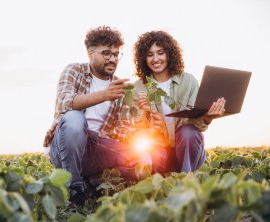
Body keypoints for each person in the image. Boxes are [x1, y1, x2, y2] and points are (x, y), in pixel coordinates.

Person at [43, 26, 141, 206]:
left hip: (98, 147)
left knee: (144, 156)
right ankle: (75, 187)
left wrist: (143, 116)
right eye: (106, 53)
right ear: (90, 53)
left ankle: (95, 182)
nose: (112, 59)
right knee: (74, 118)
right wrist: (105, 95)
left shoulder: (121, 88)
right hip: (66, 147)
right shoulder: (74, 71)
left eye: (116, 54)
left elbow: (124, 129)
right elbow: (65, 102)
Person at [132, 31, 226, 174]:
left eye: (160, 53)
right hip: (158, 153)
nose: (155, 59)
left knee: (188, 132)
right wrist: (143, 111)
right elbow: (138, 130)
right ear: (143, 59)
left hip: (187, 154)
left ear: (169, 53)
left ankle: (186, 180)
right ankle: (156, 181)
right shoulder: (138, 87)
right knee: (150, 144)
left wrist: (208, 117)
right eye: (150, 54)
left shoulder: (188, 82)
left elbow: (196, 125)